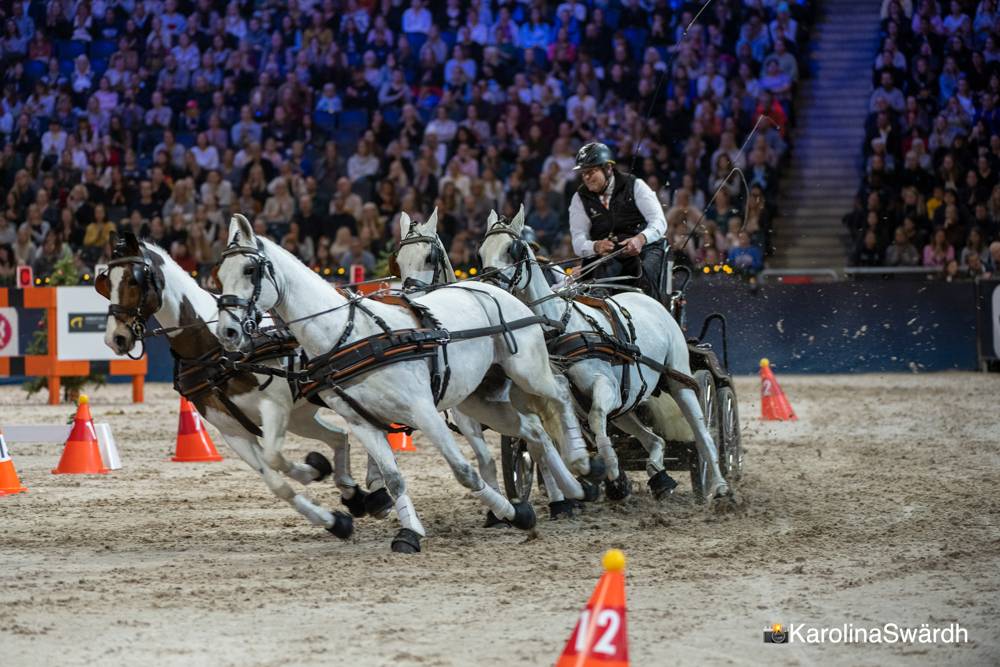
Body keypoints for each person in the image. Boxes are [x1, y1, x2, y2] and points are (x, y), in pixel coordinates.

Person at [567, 142, 667, 298]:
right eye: (583, 173)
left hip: (645, 248)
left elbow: (659, 221)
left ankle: (653, 306)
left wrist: (641, 239)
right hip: (609, 253)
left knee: (646, 272)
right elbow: (578, 240)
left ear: (608, 168)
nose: (586, 177)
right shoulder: (579, 198)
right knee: (590, 280)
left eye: (591, 171)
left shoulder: (636, 185)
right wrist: (595, 246)